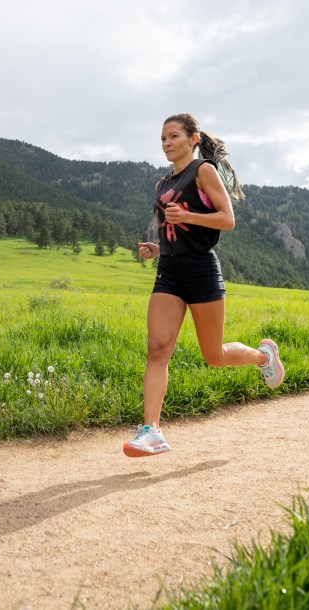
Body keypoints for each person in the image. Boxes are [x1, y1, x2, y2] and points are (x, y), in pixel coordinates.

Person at [123, 113, 284, 458]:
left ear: (193, 139)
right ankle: (152, 431)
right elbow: (174, 229)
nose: (167, 143)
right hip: (169, 272)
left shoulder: (203, 172)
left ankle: (262, 356)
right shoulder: (163, 183)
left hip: (201, 271)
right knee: (157, 349)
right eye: (163, 138)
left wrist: (189, 216)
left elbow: (228, 220)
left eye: (174, 136)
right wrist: (158, 248)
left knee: (214, 355)